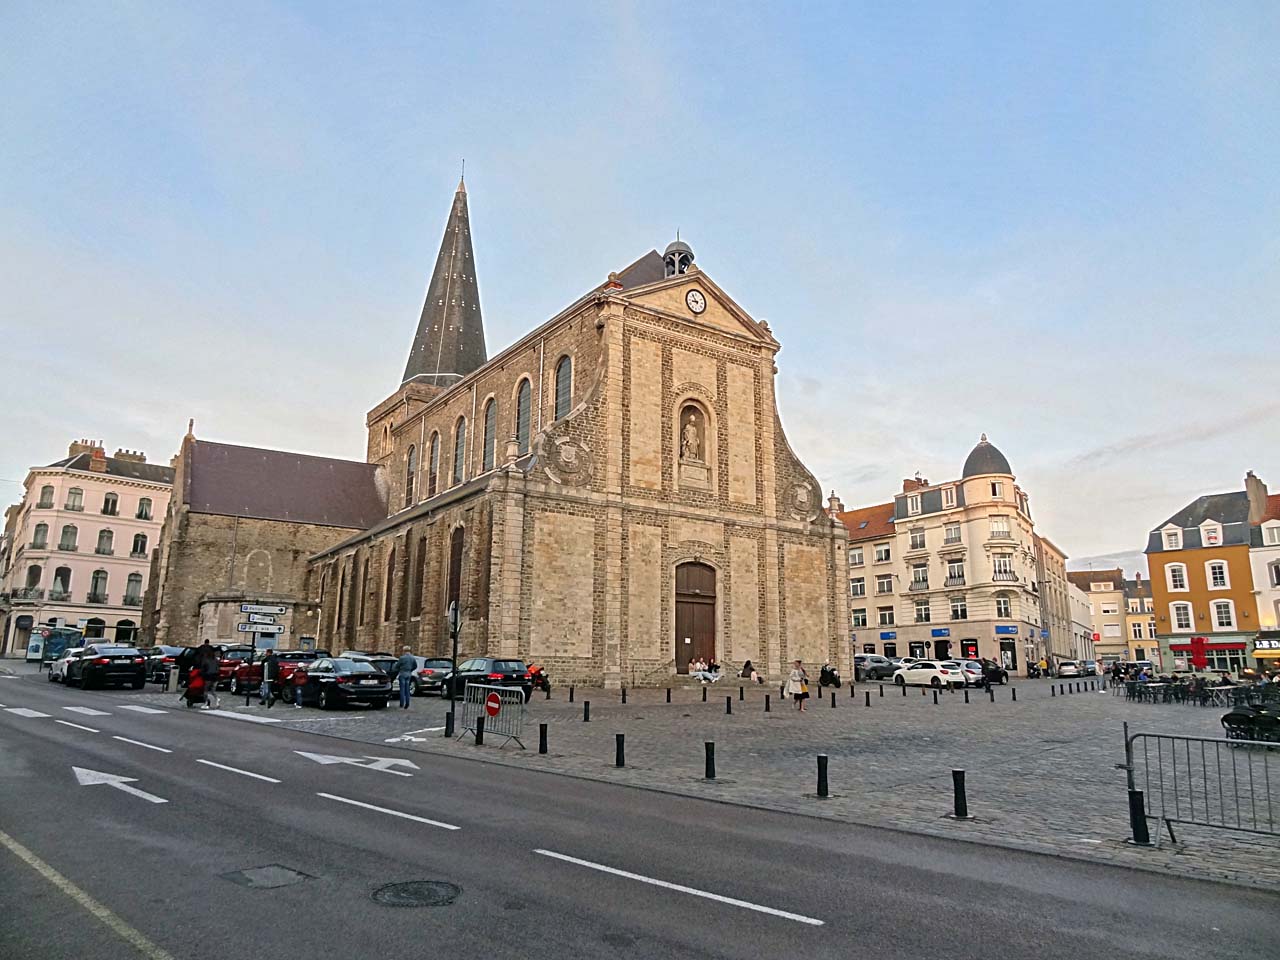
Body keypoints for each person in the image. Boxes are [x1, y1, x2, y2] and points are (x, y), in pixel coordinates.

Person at [197, 642, 221, 710]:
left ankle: (206, 703)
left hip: (208, 676)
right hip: (216, 677)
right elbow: (218, 668)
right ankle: (217, 700)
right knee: (213, 690)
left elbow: (203, 669)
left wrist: (201, 673)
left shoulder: (206, 660)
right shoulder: (216, 660)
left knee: (206, 690)